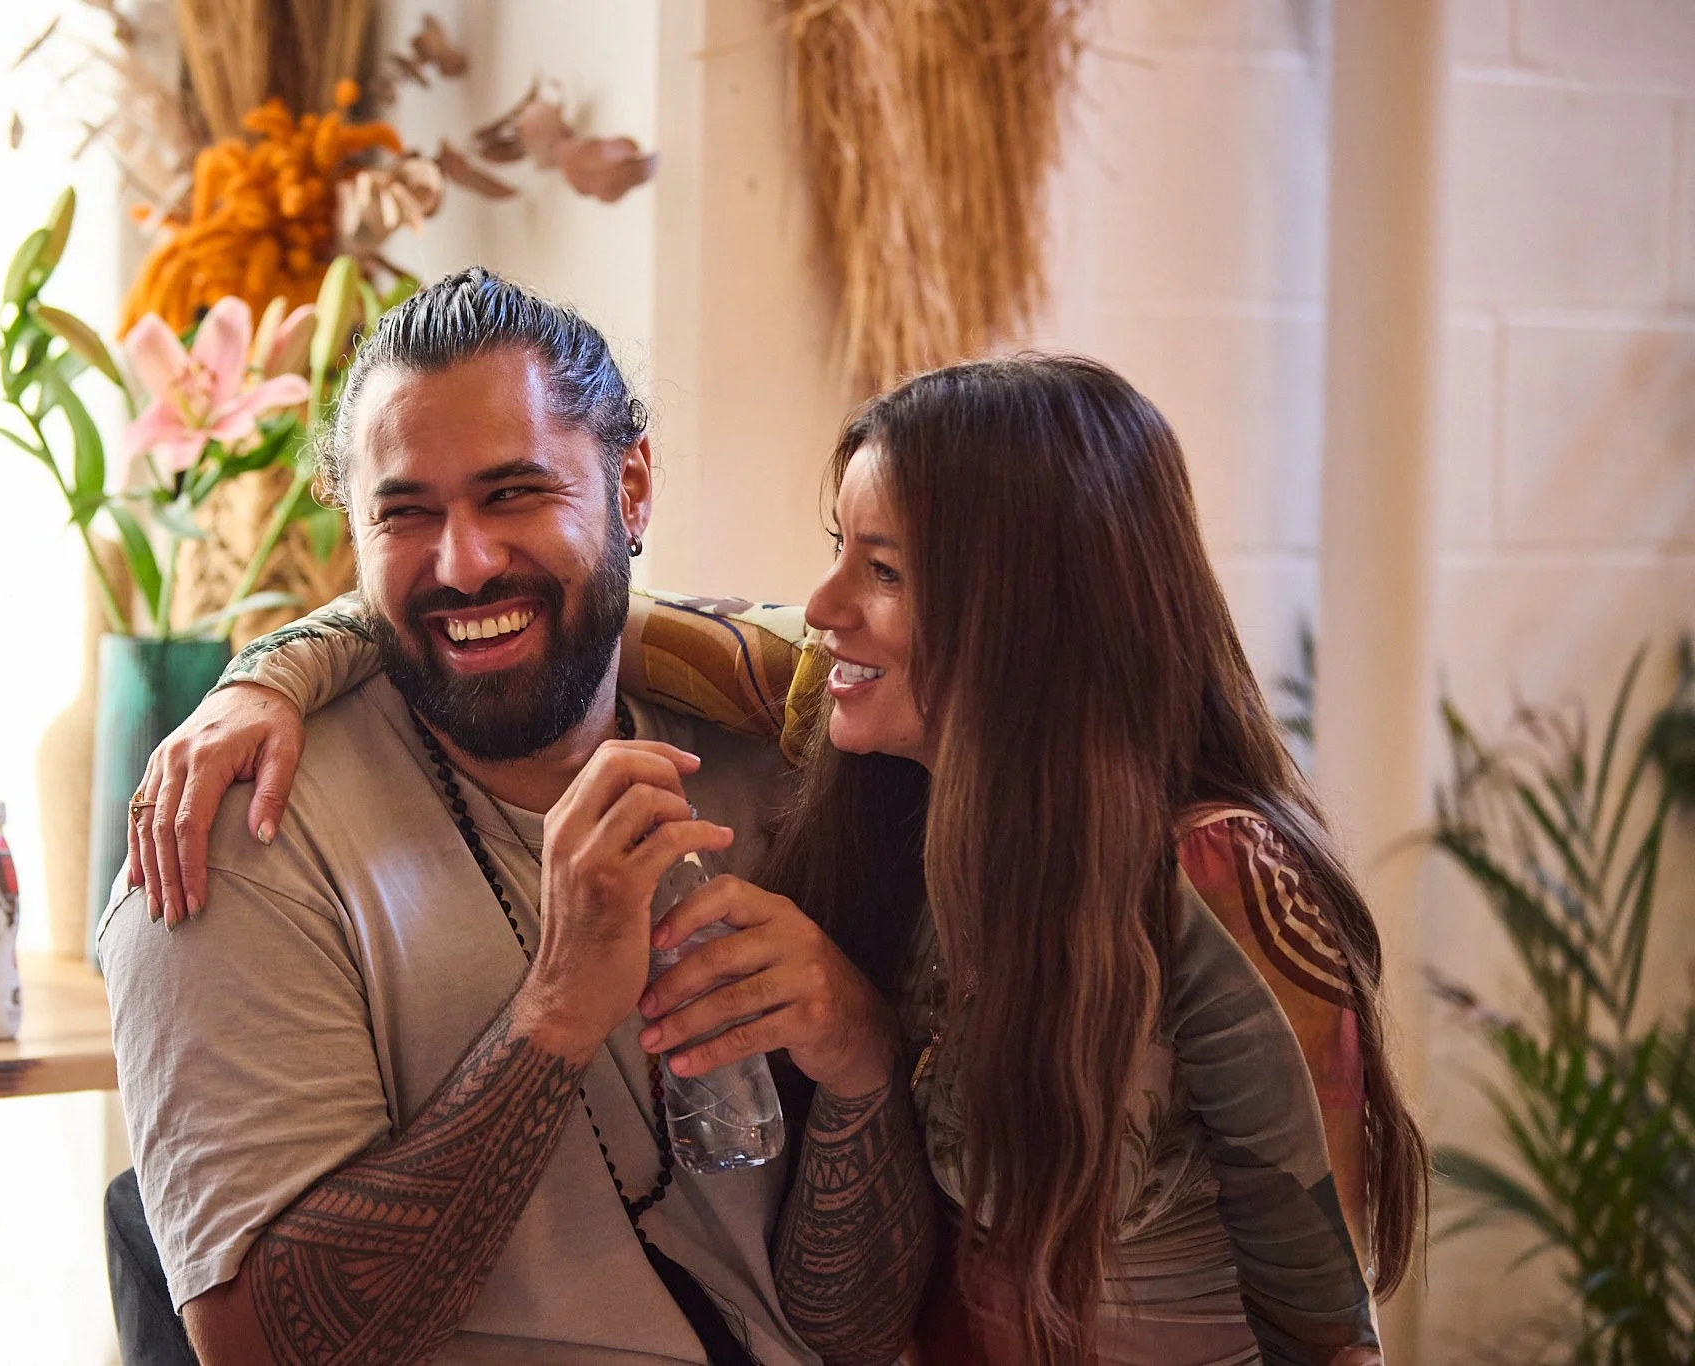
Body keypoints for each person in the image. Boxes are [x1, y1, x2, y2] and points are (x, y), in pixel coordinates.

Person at [137, 354, 1431, 1365]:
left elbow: (1324, 1322)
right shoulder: (877, 760)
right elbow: (502, 604)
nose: (820, 609)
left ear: (1025, 607)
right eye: (835, 552)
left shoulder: (1215, 875)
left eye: (883, 568)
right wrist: (270, 673)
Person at [99, 267, 936, 1366]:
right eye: (404, 512)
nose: (465, 561)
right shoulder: (238, 830)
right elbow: (254, 1348)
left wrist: (859, 1054)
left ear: (630, 491)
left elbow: (858, 1329)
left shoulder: (780, 756)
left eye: (513, 494)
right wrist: (552, 1012)